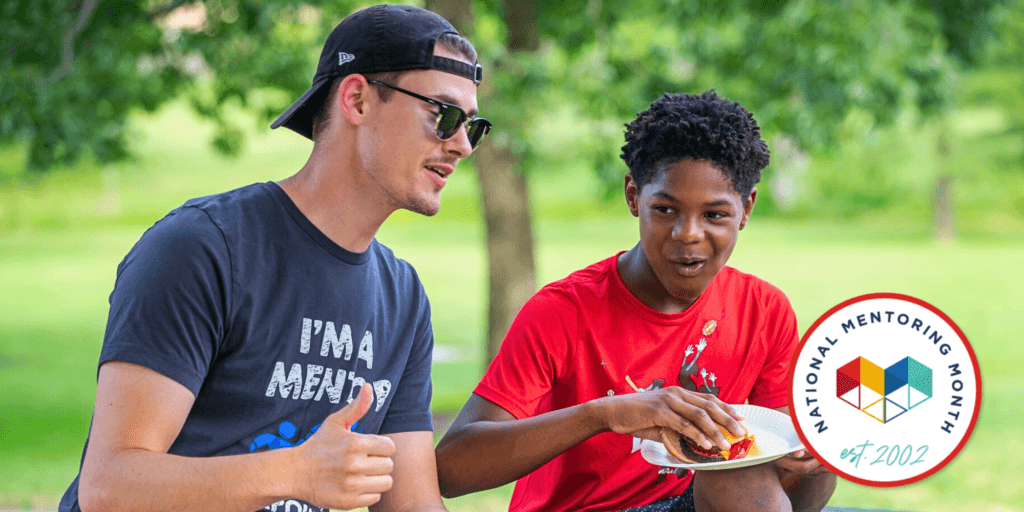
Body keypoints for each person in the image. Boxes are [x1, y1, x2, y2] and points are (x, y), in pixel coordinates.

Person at [58, 5, 491, 512]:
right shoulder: (205, 248)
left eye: (473, 126)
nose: (462, 144)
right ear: (357, 99)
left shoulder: (402, 296)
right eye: (444, 116)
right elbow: (110, 486)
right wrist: (294, 473)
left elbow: (411, 504)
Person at [434, 91, 836, 512]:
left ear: (746, 209)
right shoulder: (564, 311)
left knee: (742, 469)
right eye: (665, 209)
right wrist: (602, 415)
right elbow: (451, 470)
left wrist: (824, 459)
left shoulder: (763, 311)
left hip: (689, 502)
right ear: (633, 197)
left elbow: (785, 495)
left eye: (715, 215)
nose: (688, 234)